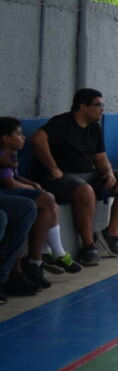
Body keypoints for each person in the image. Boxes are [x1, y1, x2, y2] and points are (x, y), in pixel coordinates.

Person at [30, 87, 118, 266]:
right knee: (85, 191)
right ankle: (89, 246)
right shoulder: (61, 123)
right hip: (62, 177)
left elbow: (100, 156)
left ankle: (111, 234)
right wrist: (53, 167)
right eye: (98, 105)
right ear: (83, 107)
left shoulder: (94, 127)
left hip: (88, 173)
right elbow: (37, 139)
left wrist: (108, 172)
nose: (102, 109)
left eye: (102, 105)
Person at [1, 116, 55, 296]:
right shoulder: (3, 155)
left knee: (42, 203)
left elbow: (15, 176)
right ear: (5, 138)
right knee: (35, 204)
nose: (23, 137)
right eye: (18, 134)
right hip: (5, 193)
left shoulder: (10, 154)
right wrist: (31, 187)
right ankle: (16, 272)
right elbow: (9, 183)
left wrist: (31, 183)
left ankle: (33, 264)